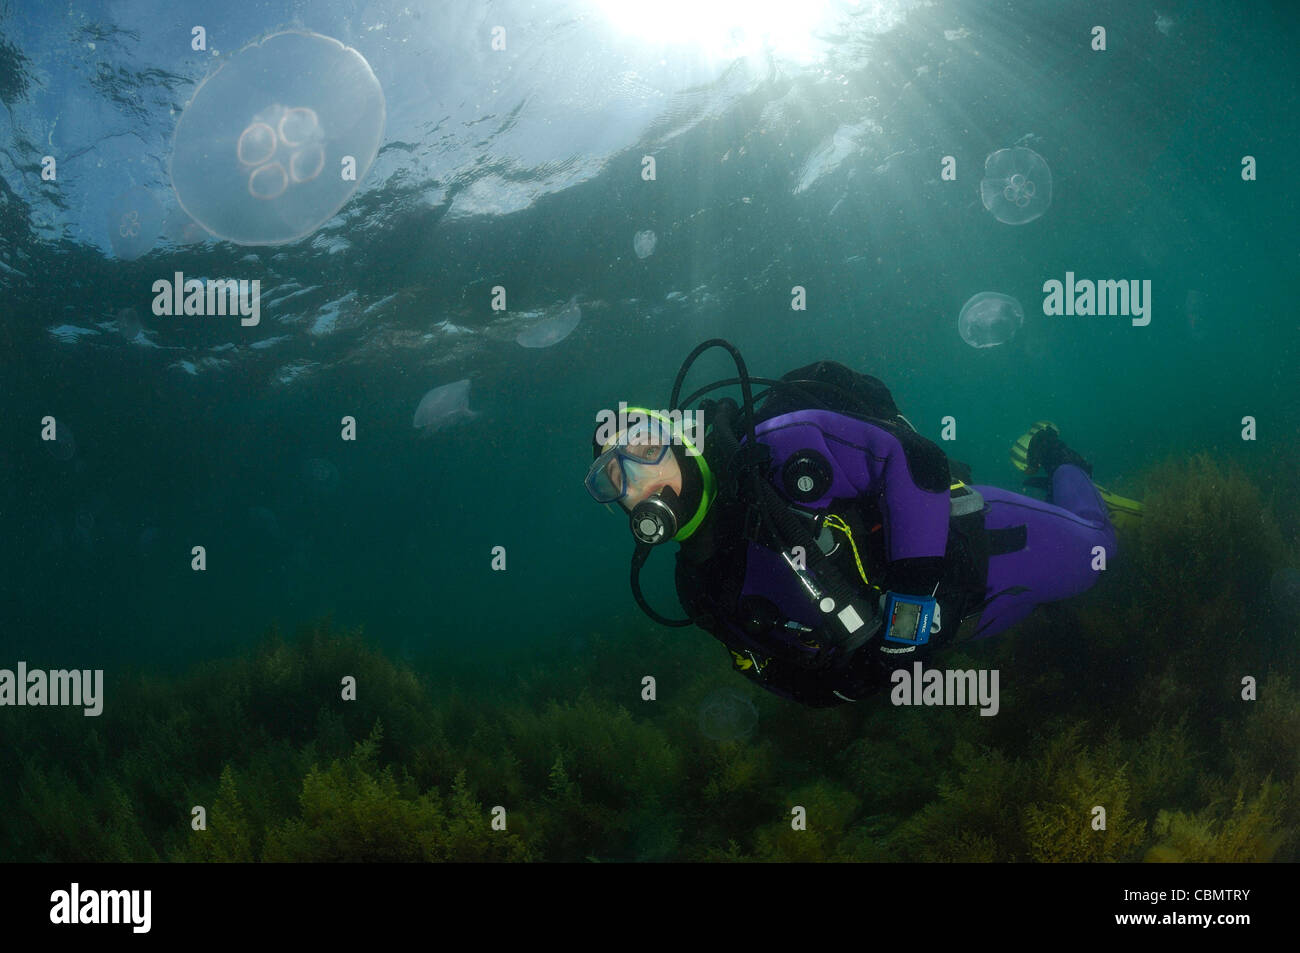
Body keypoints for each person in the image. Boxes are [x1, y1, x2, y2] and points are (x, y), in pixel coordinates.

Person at [584, 340, 1140, 708]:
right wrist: (849, 685)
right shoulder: (696, 584)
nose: (634, 481)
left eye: (643, 447)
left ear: (681, 442)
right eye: (612, 477)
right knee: (1045, 609)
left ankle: (1057, 457)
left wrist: (913, 605)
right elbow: (764, 667)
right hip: (968, 629)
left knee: (1103, 551)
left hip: (991, 547)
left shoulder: (784, 446)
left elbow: (917, 460)